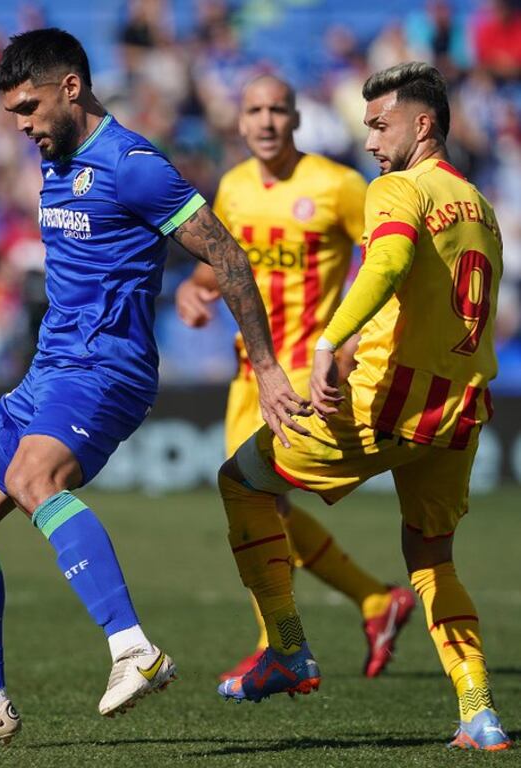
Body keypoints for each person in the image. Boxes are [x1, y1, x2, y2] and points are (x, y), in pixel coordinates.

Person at [0, 28, 309, 747]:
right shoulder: (54, 156)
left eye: (28, 106)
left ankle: (134, 648)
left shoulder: (134, 166)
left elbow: (228, 255)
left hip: (108, 369)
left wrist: (264, 367)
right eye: (12, 112)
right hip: (48, 370)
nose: (21, 125)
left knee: (32, 477)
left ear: (71, 87)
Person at [215, 62, 510, 751]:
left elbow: (385, 263)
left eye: (380, 125)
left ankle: (287, 647)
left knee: (242, 481)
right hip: (457, 412)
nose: (370, 140)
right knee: (431, 559)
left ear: (423, 124)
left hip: (384, 404)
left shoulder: (396, 188)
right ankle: (479, 712)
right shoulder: (478, 203)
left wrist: (330, 342)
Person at [176, 74, 414, 682]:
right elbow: (221, 266)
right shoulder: (233, 187)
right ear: (239, 121)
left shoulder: (337, 186)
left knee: (258, 499)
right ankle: (374, 600)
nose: (266, 121)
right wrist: (193, 289)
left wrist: (355, 338)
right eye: (254, 110)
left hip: (304, 372)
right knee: (263, 502)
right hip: (248, 371)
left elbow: (389, 258)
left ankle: (278, 645)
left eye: (278, 109)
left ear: (296, 118)